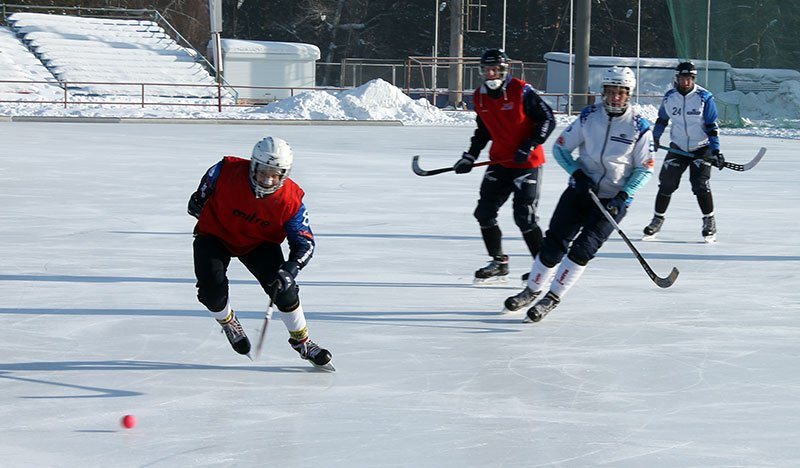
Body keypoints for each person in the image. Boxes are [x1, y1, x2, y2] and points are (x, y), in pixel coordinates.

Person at [503, 66, 655, 322]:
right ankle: (531, 289)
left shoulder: (640, 126)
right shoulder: (588, 117)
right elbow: (561, 149)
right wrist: (577, 173)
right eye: (610, 92)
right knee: (554, 243)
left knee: (583, 249)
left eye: (620, 92)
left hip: (612, 201)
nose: (614, 97)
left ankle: (552, 297)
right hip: (581, 192)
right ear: (603, 92)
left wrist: (624, 195)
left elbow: (645, 168)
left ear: (629, 94)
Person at [187, 136, 332, 368]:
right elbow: (204, 189)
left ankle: (302, 341)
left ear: (285, 174)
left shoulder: (291, 200)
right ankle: (228, 321)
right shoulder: (226, 170)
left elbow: (305, 242)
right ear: (252, 165)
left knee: (284, 290)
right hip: (214, 234)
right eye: (263, 171)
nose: (267, 179)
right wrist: (198, 200)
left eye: (276, 173)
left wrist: (291, 269)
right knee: (211, 292)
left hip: (258, 242)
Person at [453, 48, 556, 284]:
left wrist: (529, 145)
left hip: (527, 163)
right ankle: (498, 261)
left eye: (495, 69)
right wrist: (470, 156)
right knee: (484, 212)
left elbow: (548, 118)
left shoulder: (522, 90)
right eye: (486, 70)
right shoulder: (480, 97)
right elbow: (483, 131)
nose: (491, 74)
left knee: (524, 217)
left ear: (504, 70)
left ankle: (543, 268)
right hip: (500, 161)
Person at [643, 61, 725, 242]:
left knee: (700, 185)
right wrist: (655, 138)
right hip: (678, 147)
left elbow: (712, 126)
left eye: (689, 79)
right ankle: (657, 219)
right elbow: (662, 120)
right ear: (677, 78)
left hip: (701, 148)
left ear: (693, 79)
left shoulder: (705, 98)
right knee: (666, 183)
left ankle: (709, 220)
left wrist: (716, 151)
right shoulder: (669, 97)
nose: (685, 82)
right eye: (682, 78)